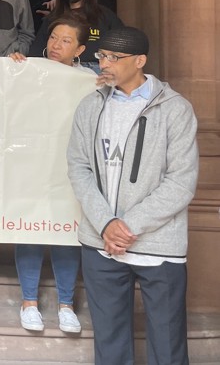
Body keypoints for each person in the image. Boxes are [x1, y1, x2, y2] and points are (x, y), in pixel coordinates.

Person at [67, 26, 198, 364]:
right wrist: (107, 224)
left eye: (114, 57)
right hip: (100, 243)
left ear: (140, 61)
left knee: (167, 349)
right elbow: (79, 169)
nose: (105, 64)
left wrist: (125, 227)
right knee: (110, 347)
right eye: (101, 56)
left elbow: (181, 181)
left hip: (159, 246)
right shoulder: (90, 107)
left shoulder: (175, 109)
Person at [9, 14, 93, 333]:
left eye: (66, 40)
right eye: (54, 37)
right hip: (31, 167)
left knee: (67, 234)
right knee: (30, 229)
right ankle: (29, 302)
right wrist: (11, 70)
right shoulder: (28, 70)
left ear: (80, 49)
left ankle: (66, 304)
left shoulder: (89, 80)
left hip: (70, 171)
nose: (56, 44)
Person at [28, 0, 124, 73]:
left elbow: (123, 47)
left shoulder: (105, 15)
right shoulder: (53, 17)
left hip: (97, 70)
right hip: (61, 69)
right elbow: (36, 52)